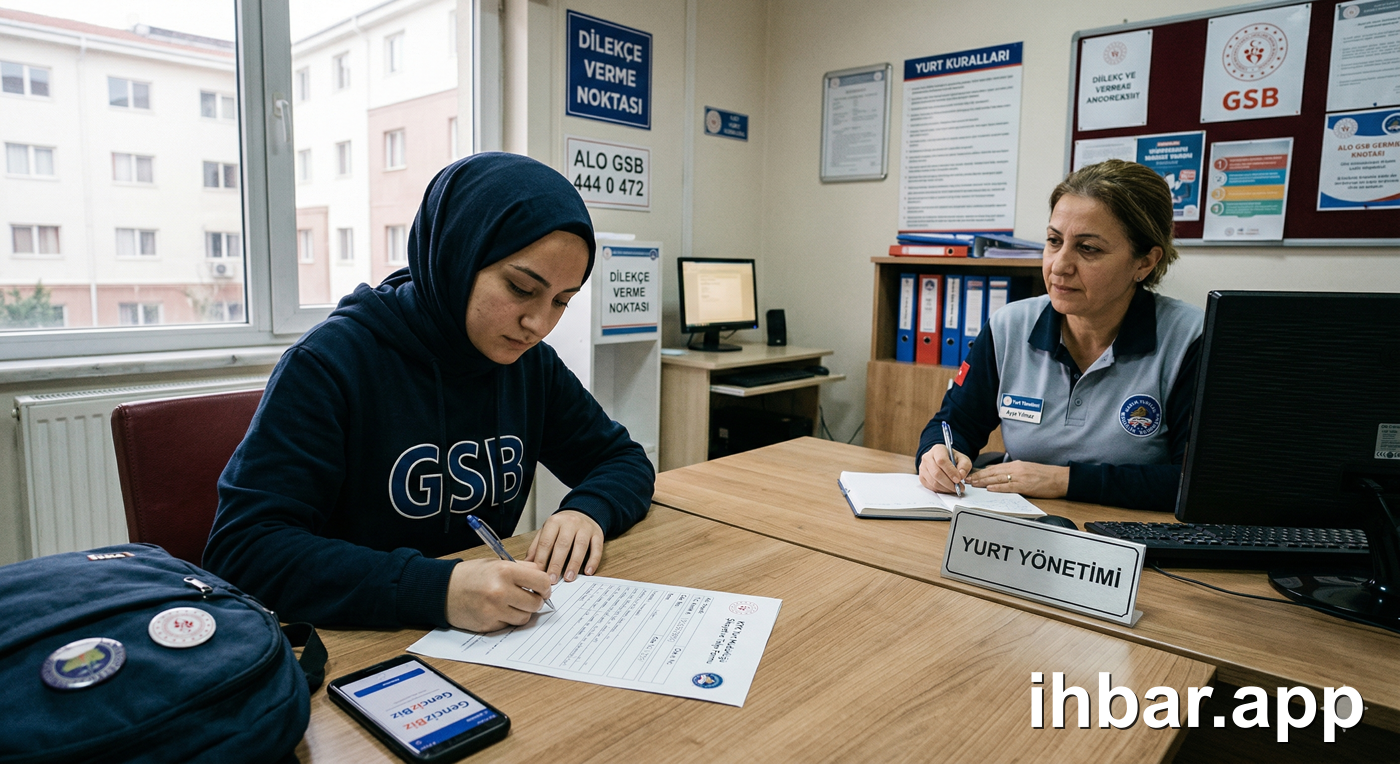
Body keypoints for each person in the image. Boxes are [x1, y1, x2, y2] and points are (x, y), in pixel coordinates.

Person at [204, 153, 655, 632]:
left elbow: (622, 459)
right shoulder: (332, 362)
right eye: (522, 288)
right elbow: (245, 550)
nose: (538, 324)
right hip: (355, 640)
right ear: (457, 255)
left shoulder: (527, 364)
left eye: (561, 301)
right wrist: (437, 589)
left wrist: (591, 510)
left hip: (487, 638)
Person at [916, 159, 1203, 512]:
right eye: (1054, 241)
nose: (1059, 265)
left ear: (1145, 262)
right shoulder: (1010, 326)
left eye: (1089, 249)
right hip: (1020, 527)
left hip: (1132, 541)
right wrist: (937, 455)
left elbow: (1198, 482)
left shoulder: (1192, 339)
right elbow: (953, 423)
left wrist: (1062, 480)